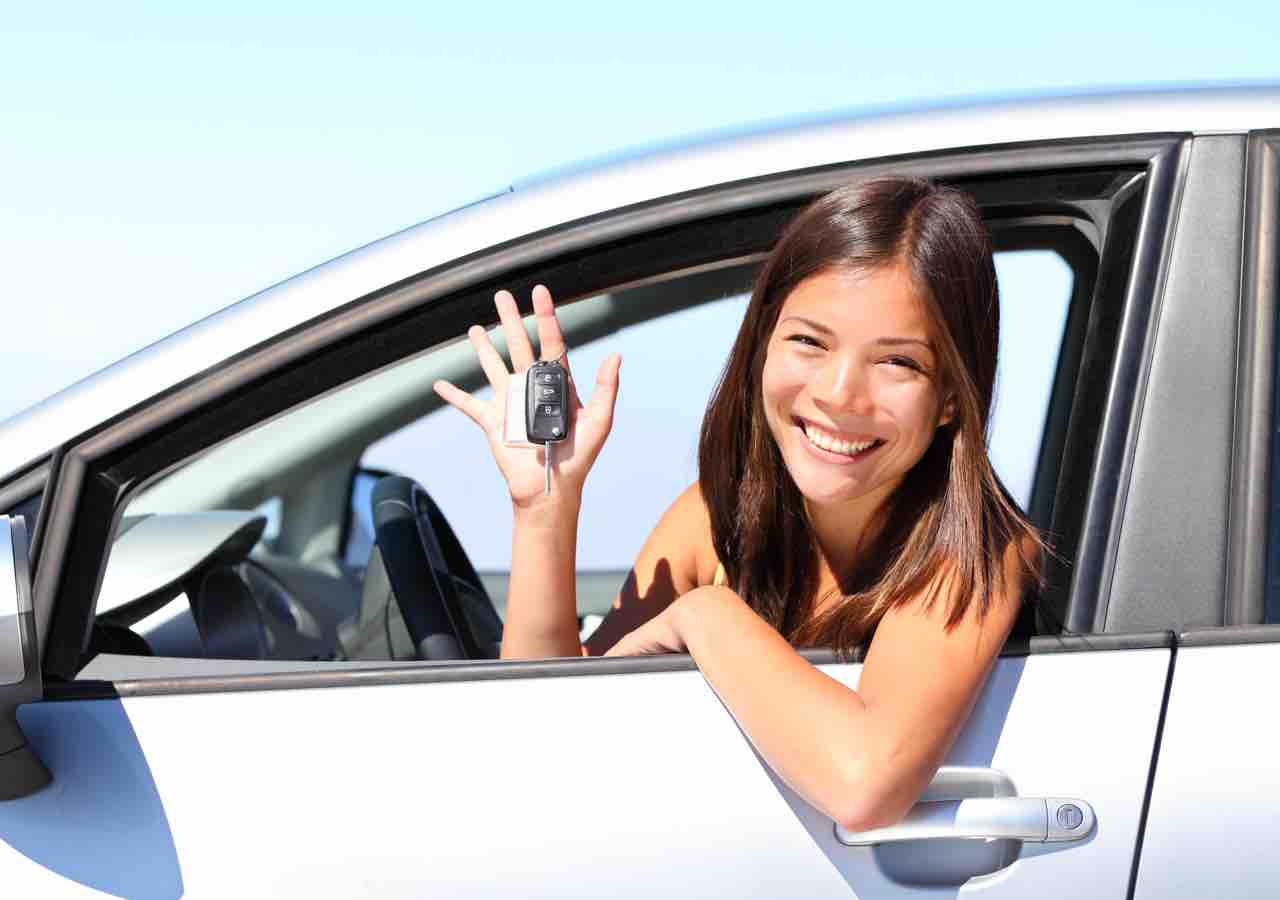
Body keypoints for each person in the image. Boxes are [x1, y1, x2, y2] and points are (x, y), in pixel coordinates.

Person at [431, 175, 1044, 832]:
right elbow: (548, 727)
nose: (841, 394)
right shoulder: (715, 518)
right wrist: (545, 508)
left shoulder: (979, 552)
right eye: (809, 342)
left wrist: (705, 614)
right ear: (761, 347)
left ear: (952, 396)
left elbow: (865, 785)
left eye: (897, 363)